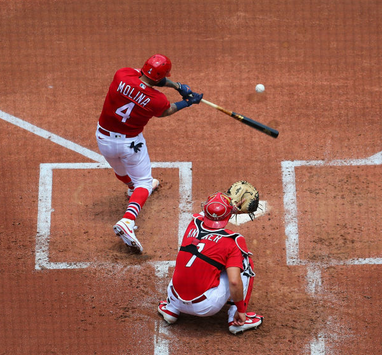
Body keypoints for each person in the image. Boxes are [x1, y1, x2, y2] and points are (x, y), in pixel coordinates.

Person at [96, 54, 202, 253]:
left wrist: (177, 86)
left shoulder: (122, 75)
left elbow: (149, 78)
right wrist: (187, 101)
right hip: (130, 144)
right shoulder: (158, 100)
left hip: (104, 139)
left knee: (119, 169)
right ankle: (127, 221)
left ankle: (130, 189)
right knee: (144, 182)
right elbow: (167, 111)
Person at [157, 192, 264, 335]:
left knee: (191, 259)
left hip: (174, 296)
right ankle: (235, 319)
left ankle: (171, 309)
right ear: (228, 215)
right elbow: (234, 282)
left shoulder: (192, 224)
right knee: (244, 262)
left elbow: (207, 213)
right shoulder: (232, 241)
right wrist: (241, 310)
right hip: (205, 307)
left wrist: (224, 209)